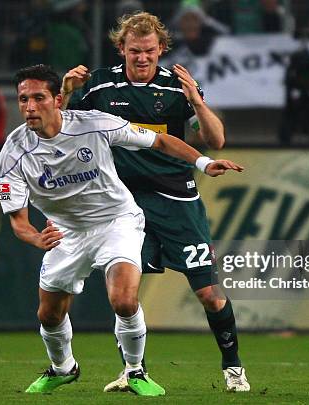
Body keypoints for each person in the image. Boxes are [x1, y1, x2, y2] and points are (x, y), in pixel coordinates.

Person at [0, 64, 243, 396]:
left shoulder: (95, 125)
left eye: (38, 98)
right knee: (49, 314)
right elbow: (18, 221)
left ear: (58, 99)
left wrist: (202, 162)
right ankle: (63, 368)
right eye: (23, 99)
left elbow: (159, 140)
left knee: (124, 300)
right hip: (68, 232)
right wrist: (35, 237)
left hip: (117, 220)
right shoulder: (13, 152)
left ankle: (135, 371)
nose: (29, 107)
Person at [61, 12, 251, 392]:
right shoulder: (98, 86)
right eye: (134, 51)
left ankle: (233, 368)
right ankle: (134, 371)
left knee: (210, 295)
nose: (142, 58)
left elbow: (215, 140)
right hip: (123, 206)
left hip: (178, 200)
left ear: (162, 49)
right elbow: (61, 126)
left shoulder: (177, 88)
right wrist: (65, 90)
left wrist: (197, 101)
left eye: (149, 51)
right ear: (121, 49)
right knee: (124, 293)